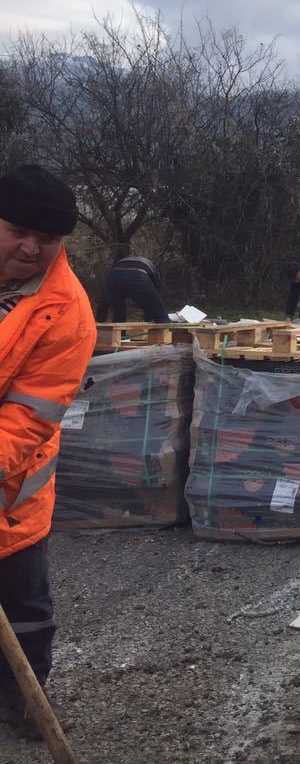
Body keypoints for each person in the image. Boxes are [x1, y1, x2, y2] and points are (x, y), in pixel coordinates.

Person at [0, 165, 95, 736]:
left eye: (48, 239)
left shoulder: (67, 313)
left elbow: (28, 419)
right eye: (18, 232)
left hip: (11, 492)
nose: (31, 249)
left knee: (23, 608)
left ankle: (25, 703)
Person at [95, 255, 169, 323]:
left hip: (113, 275)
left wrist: (100, 318)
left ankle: (118, 332)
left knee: (118, 313)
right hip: (137, 275)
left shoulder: (122, 262)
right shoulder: (153, 269)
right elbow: (152, 300)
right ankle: (163, 328)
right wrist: (148, 317)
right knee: (161, 316)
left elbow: (104, 296)